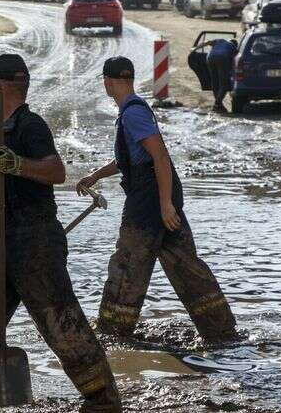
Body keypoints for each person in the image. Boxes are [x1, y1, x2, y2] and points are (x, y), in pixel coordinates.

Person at [0, 53, 121, 413]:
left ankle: (105, 403)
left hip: (35, 245)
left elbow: (56, 171)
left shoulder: (31, 126)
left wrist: (15, 164)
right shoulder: (3, 130)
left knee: (62, 329)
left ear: (0, 87)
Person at [76, 56, 238, 343]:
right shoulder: (133, 110)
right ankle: (221, 332)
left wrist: (164, 205)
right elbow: (129, 159)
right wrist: (95, 176)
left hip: (149, 203)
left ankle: (112, 335)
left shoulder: (132, 114)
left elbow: (160, 157)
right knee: (186, 266)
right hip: (159, 198)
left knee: (127, 265)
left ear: (108, 82)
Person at [206, 37, 237, 113]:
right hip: (221, 57)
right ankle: (217, 104)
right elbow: (233, 62)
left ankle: (219, 105)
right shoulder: (233, 46)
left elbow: (207, 42)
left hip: (210, 57)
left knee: (215, 82)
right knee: (224, 84)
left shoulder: (220, 40)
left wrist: (195, 48)